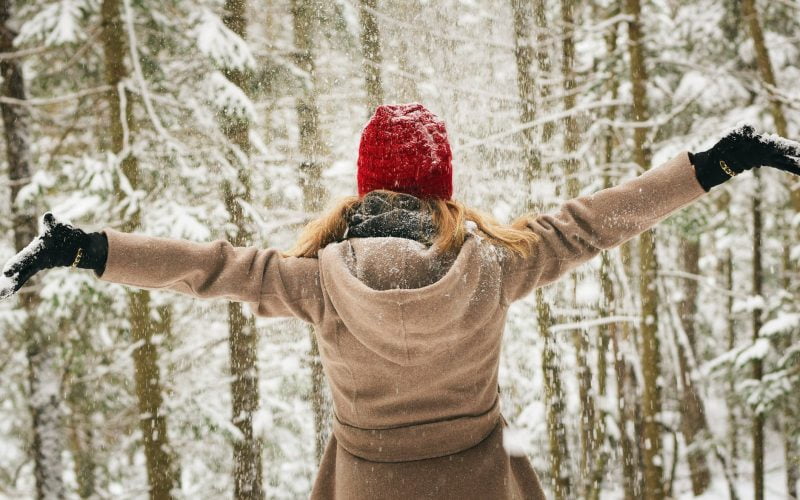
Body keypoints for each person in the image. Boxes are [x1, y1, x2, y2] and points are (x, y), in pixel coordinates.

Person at [2, 103, 800, 499]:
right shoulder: (496, 265)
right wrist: (717, 163)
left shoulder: (318, 282)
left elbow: (211, 269)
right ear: (442, 188)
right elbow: (598, 222)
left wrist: (87, 249)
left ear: (365, 185)